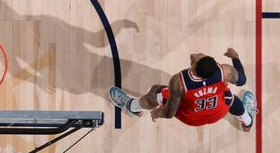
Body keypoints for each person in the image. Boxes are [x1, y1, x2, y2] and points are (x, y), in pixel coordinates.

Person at [108, 48, 258, 131]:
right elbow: (242, 80)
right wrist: (235, 57)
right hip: (216, 112)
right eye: (198, 55)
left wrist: (157, 113)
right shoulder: (225, 71)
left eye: (193, 59)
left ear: (194, 70)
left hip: (191, 117)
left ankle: (132, 107)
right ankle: (247, 121)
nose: (192, 55)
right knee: (229, 97)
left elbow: (169, 113)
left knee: (156, 92)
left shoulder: (179, 82)